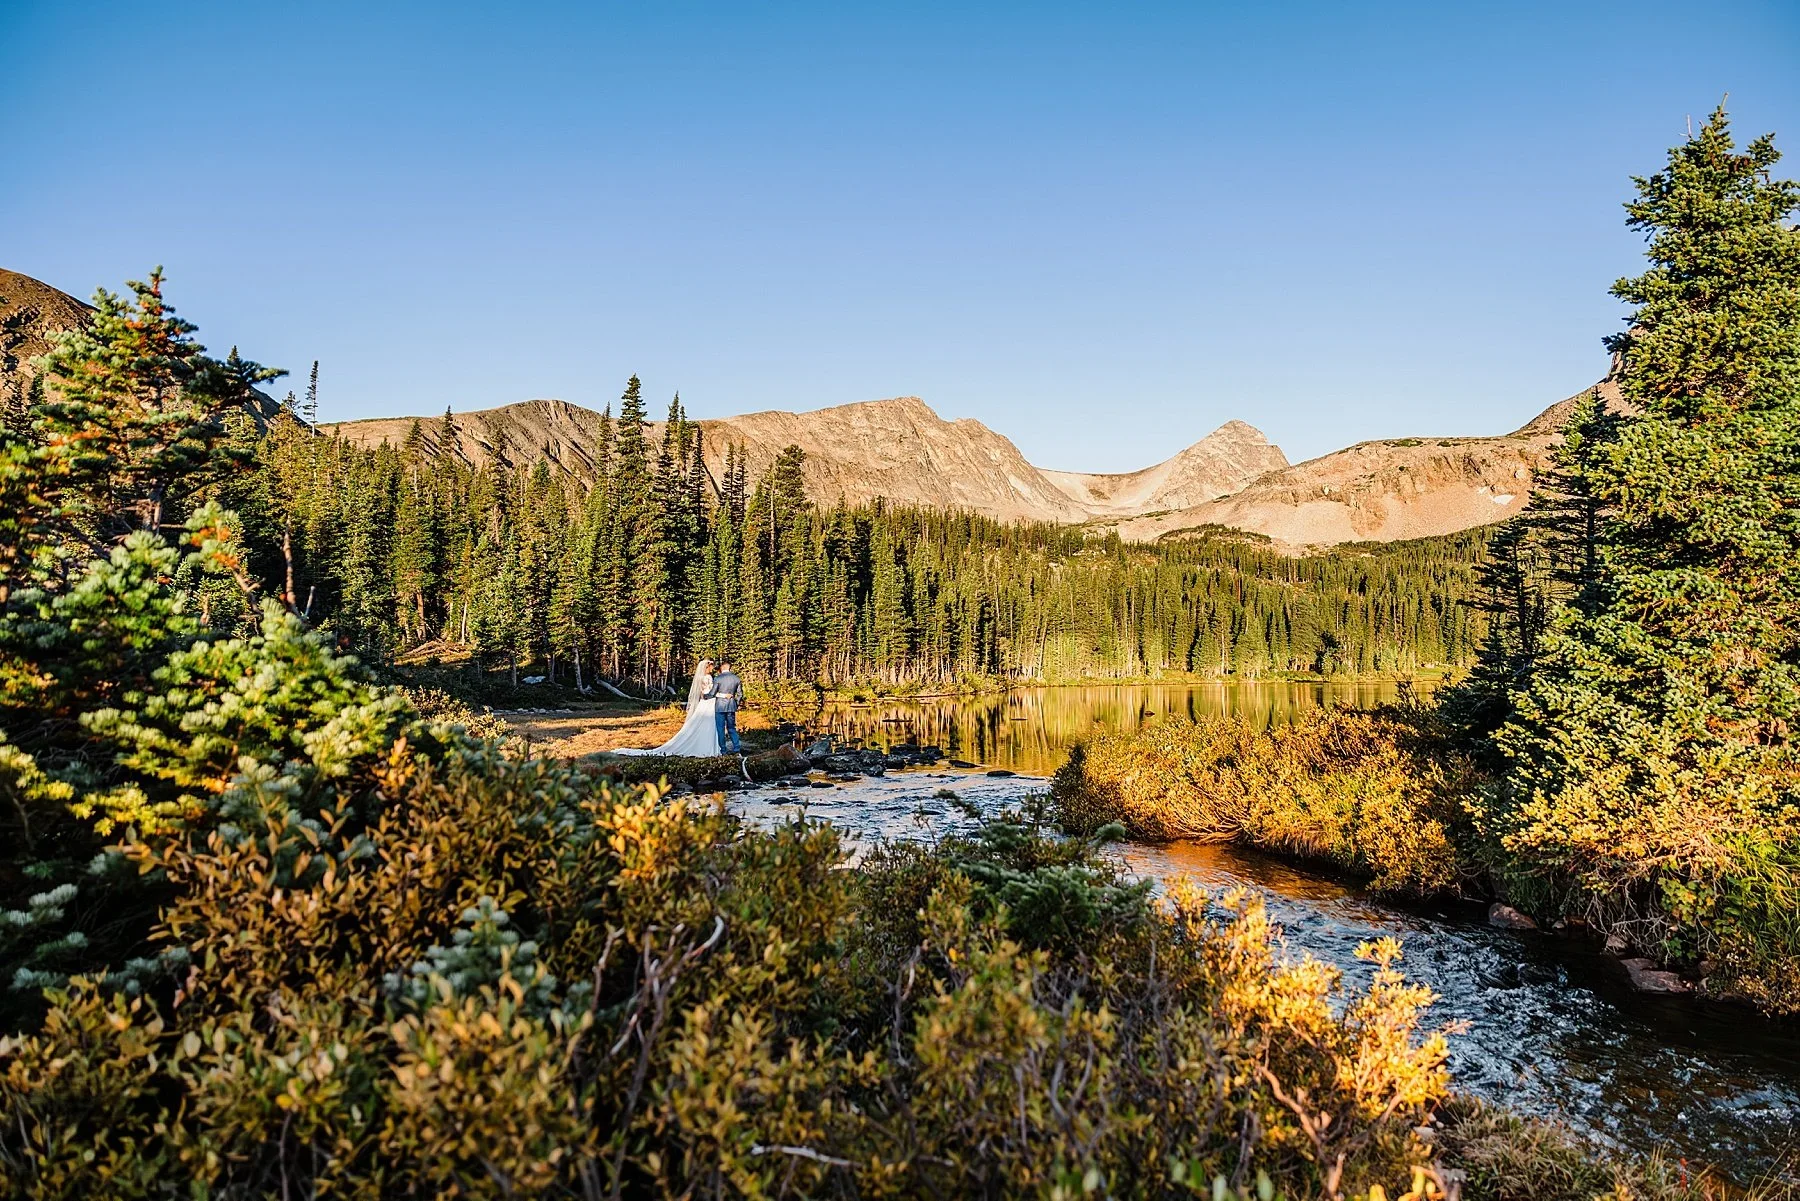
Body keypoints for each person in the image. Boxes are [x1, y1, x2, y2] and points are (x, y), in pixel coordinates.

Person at [613, 658, 721, 757]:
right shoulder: (708, 677)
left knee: (700, 724)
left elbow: (702, 693)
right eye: (711, 666)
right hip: (709, 703)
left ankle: (702, 745)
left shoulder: (700, 677)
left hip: (703, 703)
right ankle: (707, 746)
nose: (712, 668)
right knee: (709, 724)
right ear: (707, 667)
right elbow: (710, 692)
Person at [710, 659, 744, 754]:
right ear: (729, 668)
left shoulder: (718, 678)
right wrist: (735, 703)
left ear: (722, 667)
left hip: (720, 706)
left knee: (720, 729)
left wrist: (705, 696)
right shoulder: (736, 678)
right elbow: (740, 694)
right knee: (732, 728)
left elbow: (712, 693)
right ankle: (737, 748)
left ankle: (723, 750)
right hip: (731, 706)